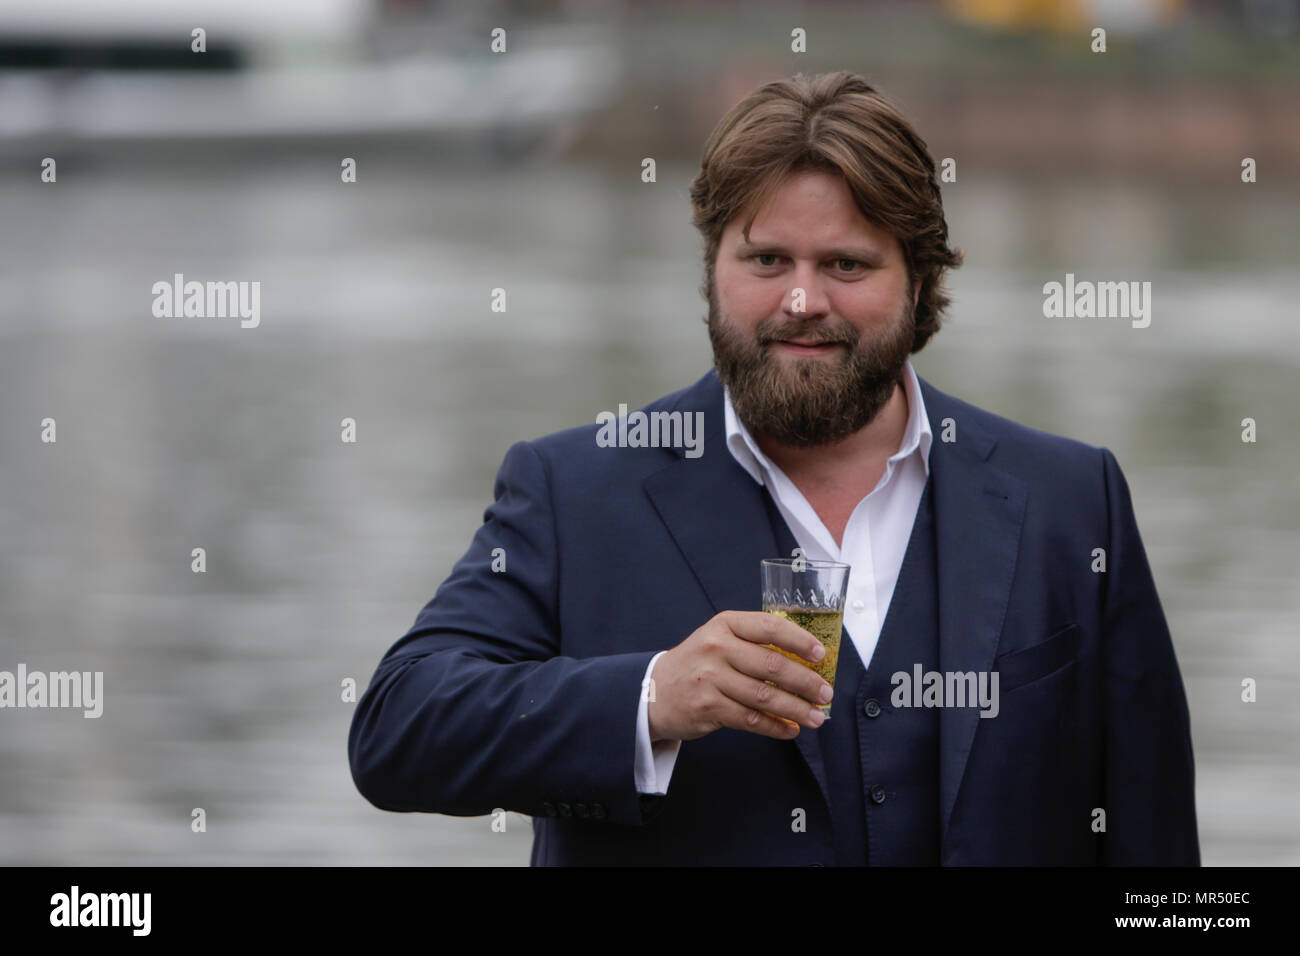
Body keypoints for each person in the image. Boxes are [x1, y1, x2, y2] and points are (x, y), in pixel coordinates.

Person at [348, 71, 1200, 866]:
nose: (802, 301)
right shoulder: (571, 489)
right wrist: (650, 698)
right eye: (766, 261)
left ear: (918, 280)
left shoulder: (1072, 500)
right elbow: (397, 730)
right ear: (714, 271)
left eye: (847, 264)